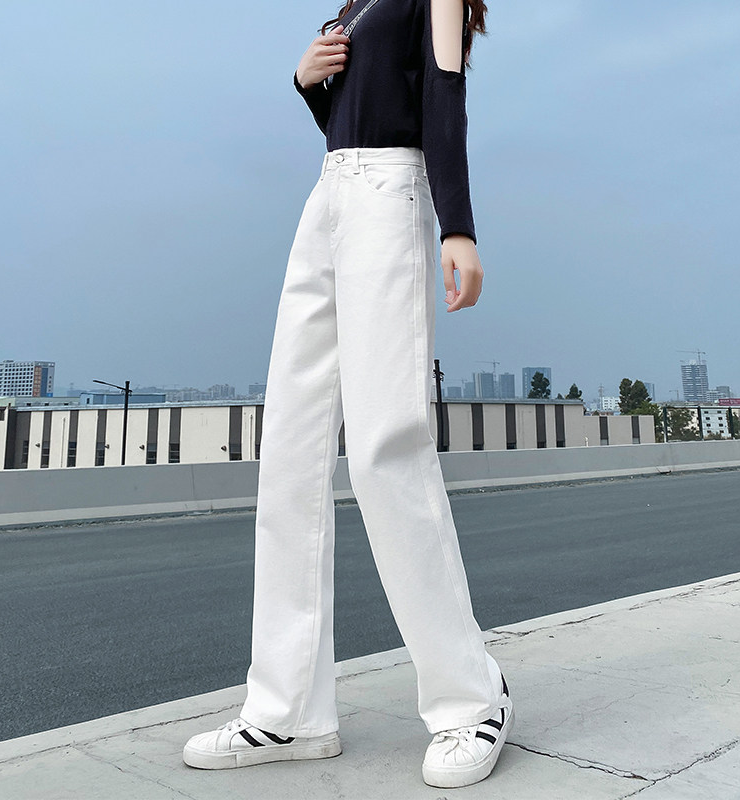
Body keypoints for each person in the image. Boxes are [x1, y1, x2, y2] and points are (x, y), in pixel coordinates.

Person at [183, 0, 513, 788]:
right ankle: (288, 710)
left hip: (389, 198)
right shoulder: (353, 5)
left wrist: (458, 227)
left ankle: (472, 698)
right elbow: (349, 117)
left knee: (383, 450)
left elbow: (442, 91)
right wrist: (307, 83)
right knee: (289, 454)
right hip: (328, 198)